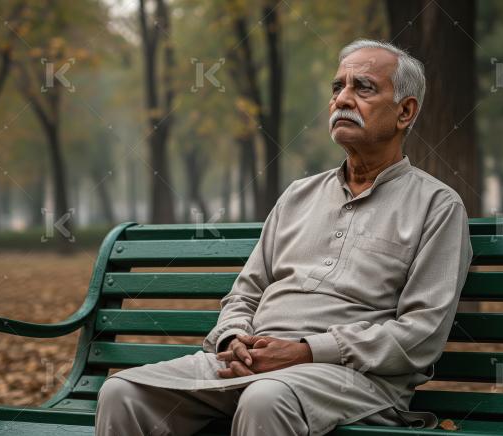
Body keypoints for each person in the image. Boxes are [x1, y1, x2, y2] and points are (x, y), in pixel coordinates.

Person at [95, 38, 474, 436]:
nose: (342, 99)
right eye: (337, 87)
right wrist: (233, 339)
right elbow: (245, 293)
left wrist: (307, 351)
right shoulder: (298, 195)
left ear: (405, 111)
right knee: (123, 392)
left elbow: (421, 333)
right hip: (254, 363)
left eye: (363, 88)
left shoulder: (437, 206)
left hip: (355, 380)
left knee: (265, 397)